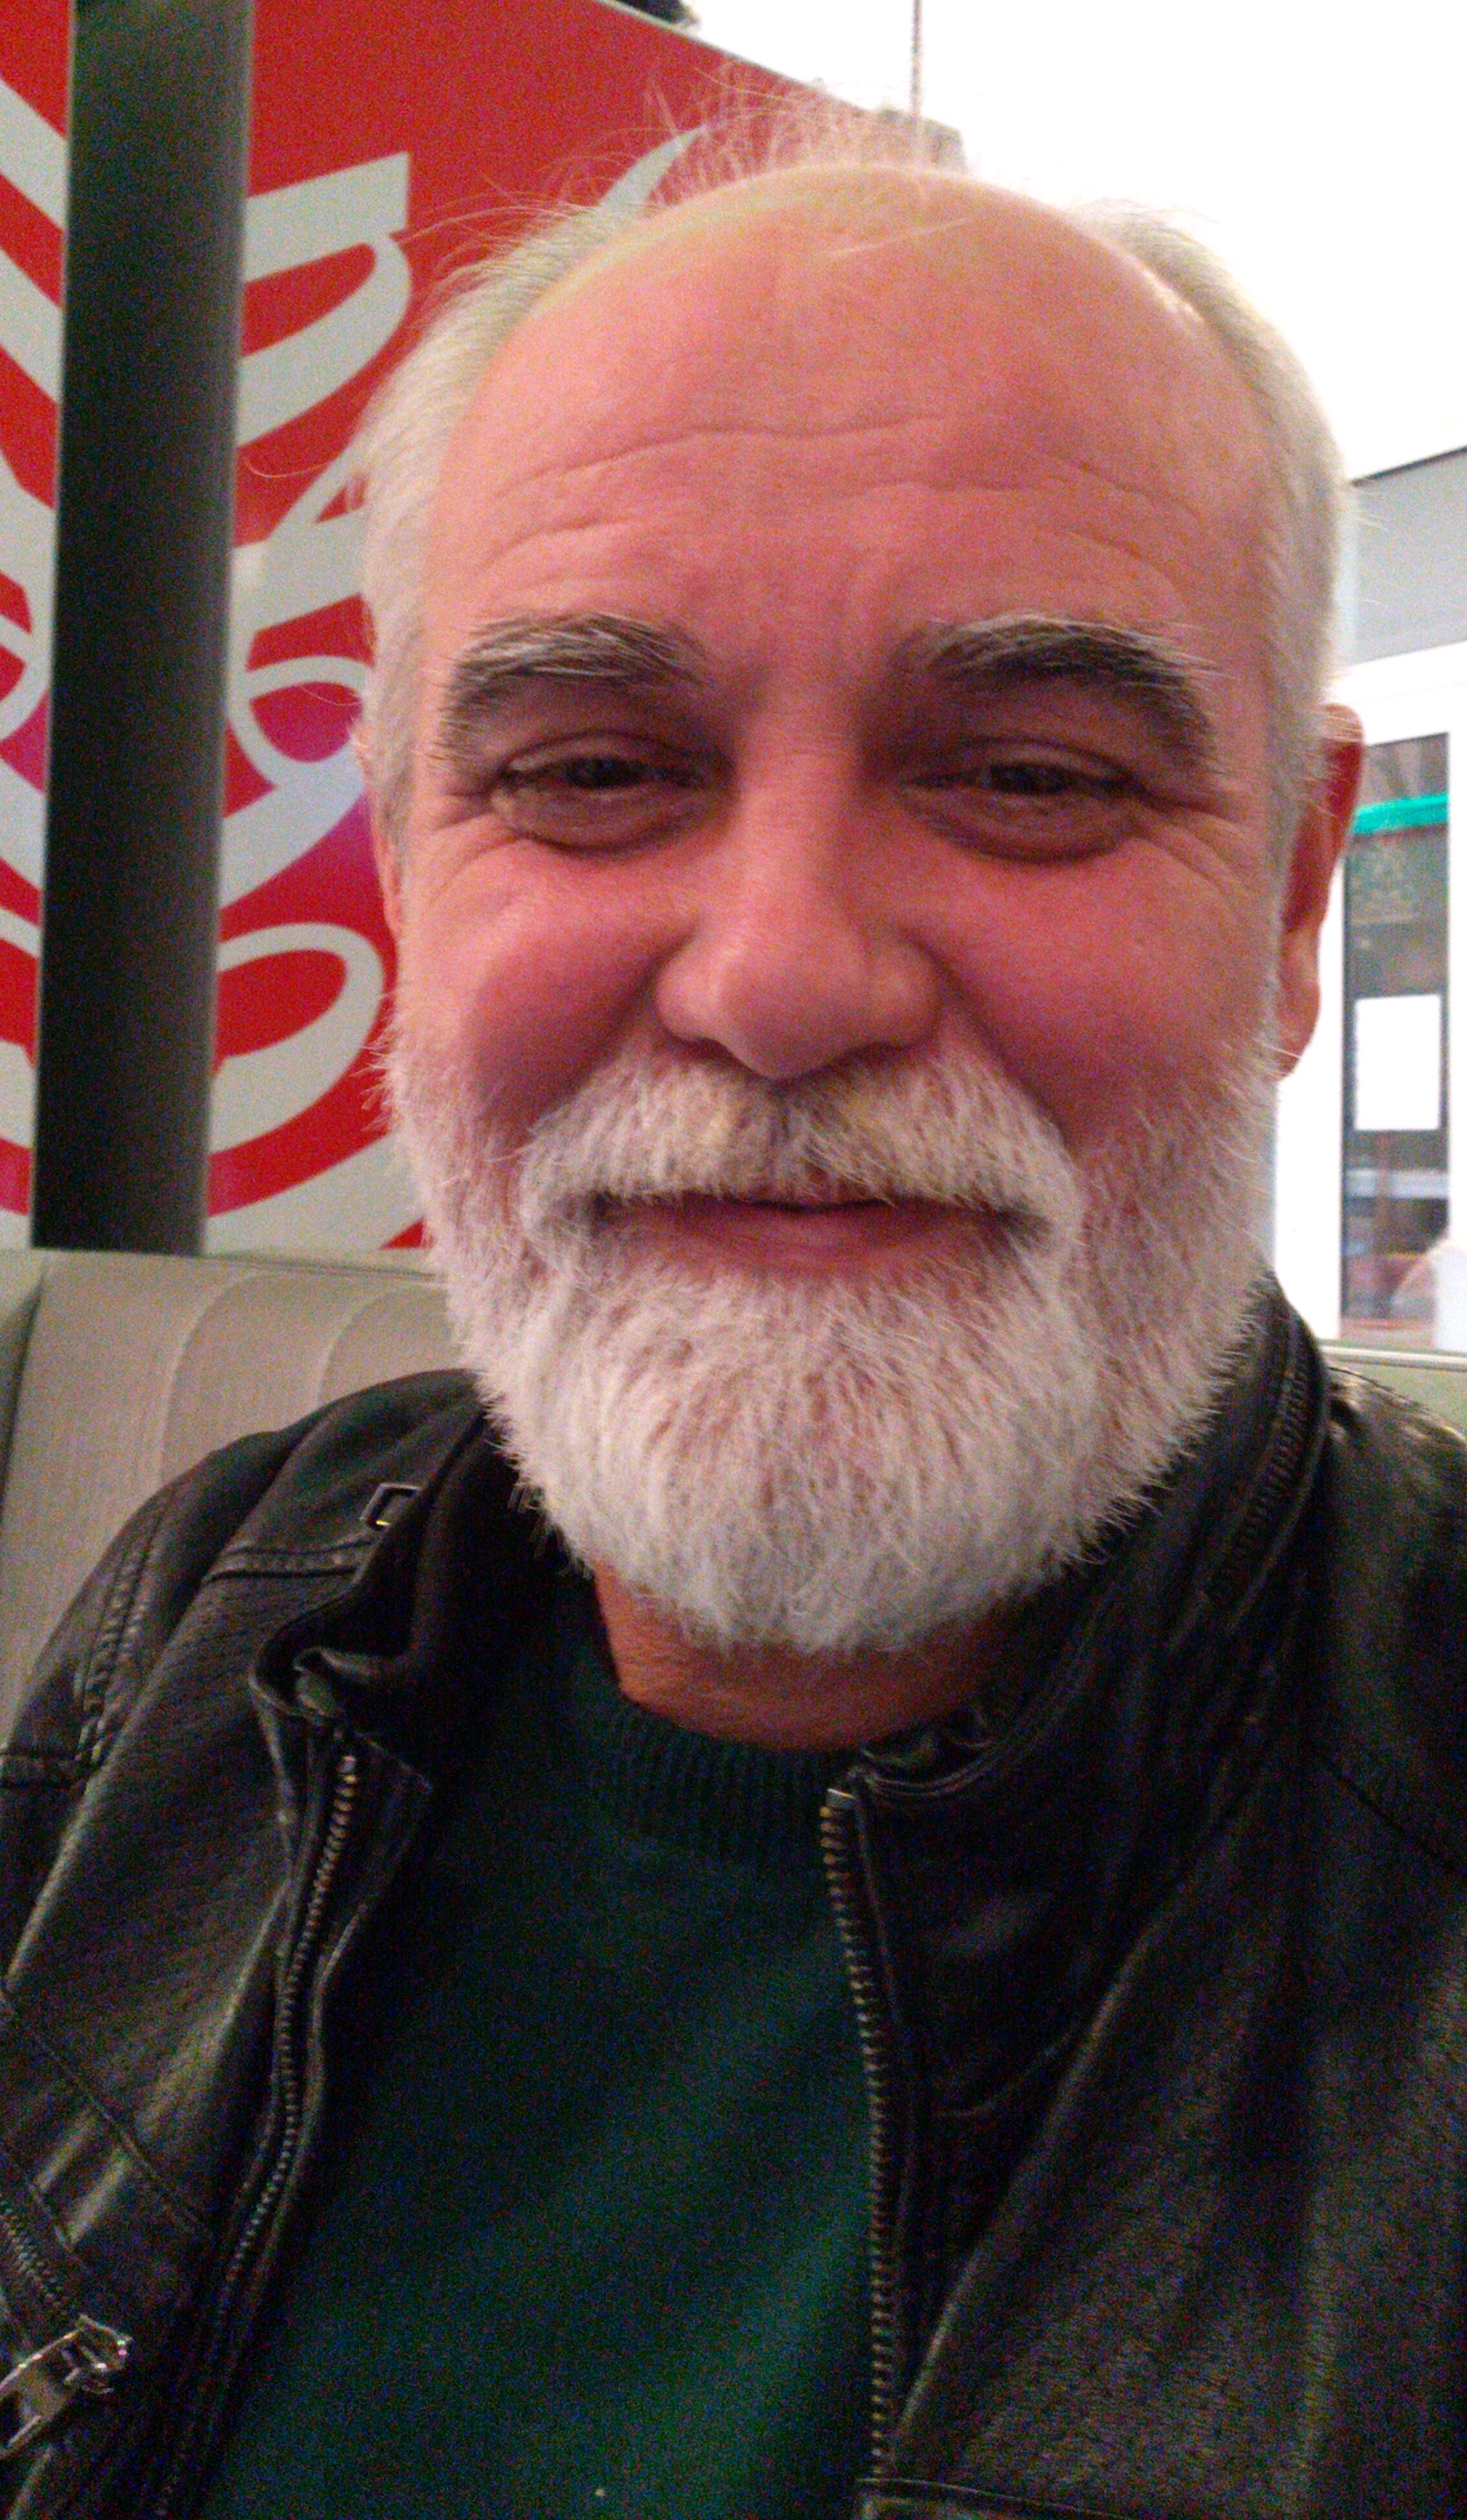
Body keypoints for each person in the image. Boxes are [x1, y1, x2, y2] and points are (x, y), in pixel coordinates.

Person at [0, 125, 1461, 2520]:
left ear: (1297, 898)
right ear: (406, 878)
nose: (781, 982)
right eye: (589, 772)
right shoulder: (204, 1611)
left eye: (1029, 777)